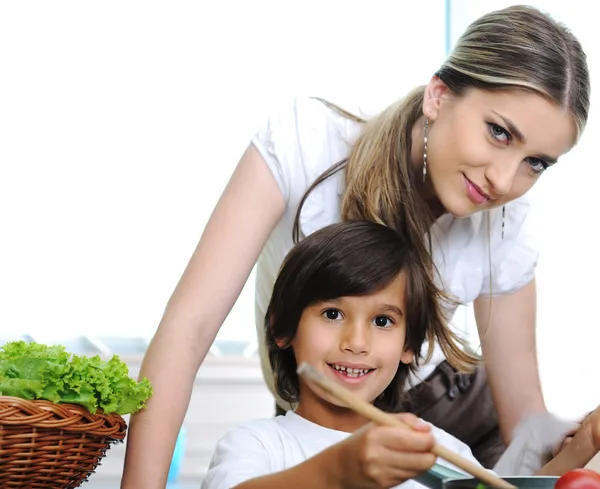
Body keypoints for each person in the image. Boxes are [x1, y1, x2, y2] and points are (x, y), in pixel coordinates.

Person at [120, 5, 591, 487]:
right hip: (333, 393)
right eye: (497, 131)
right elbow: (189, 328)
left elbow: (524, 427)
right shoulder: (307, 140)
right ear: (439, 96)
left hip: (455, 413)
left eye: (536, 162)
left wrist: (580, 443)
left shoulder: (508, 226)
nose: (503, 180)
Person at [200, 221, 600, 489]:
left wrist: (584, 445)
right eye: (333, 314)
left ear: (411, 346)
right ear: (282, 328)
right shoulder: (257, 445)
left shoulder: (443, 452)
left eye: (383, 321)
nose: (356, 342)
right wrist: (339, 470)